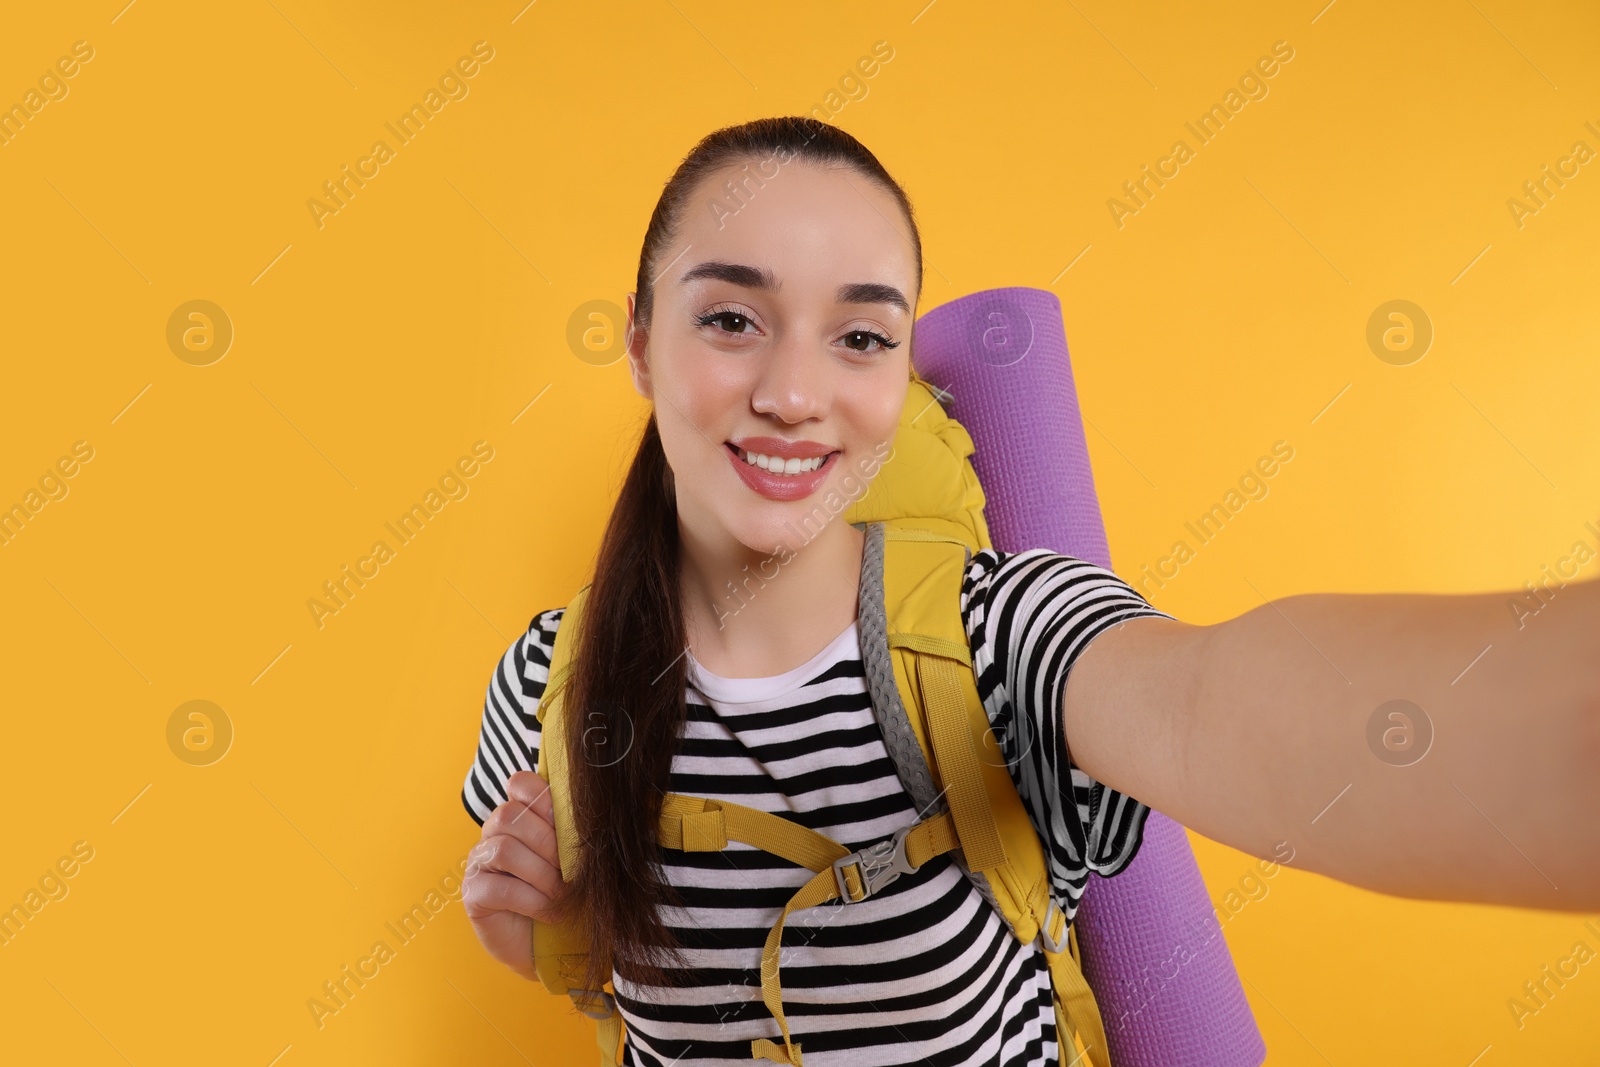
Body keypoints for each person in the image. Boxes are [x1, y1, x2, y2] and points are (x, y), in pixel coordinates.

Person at [458, 116, 1600, 1066]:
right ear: (644, 344)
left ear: (899, 374)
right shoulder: (551, 684)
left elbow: (1208, 700)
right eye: (731, 319)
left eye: (859, 335)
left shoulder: (1001, 636)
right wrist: (563, 940)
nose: (795, 391)